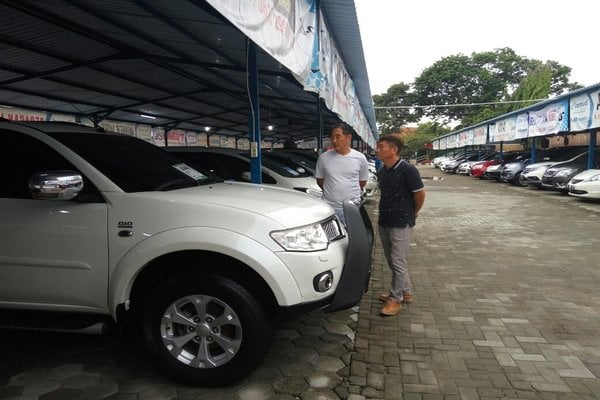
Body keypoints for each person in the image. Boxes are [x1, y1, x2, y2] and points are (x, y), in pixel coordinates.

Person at [375, 134, 426, 316]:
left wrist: (413, 213)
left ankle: (395, 299)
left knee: (398, 261)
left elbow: (420, 194)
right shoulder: (383, 171)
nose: (377, 150)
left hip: (401, 223)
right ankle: (406, 291)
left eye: (381, 147)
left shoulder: (407, 170)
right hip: (385, 221)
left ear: (393, 149)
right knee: (392, 260)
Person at [315, 123, 370, 224]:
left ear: (348, 138)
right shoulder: (323, 158)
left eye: (338, 136)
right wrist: (332, 191)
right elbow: (320, 180)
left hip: (352, 208)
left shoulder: (360, 158)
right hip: (329, 208)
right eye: (332, 137)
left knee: (352, 237)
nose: (334, 141)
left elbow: (362, 182)